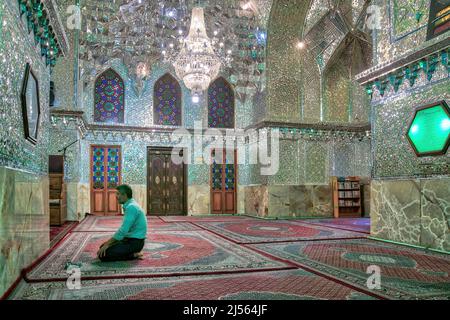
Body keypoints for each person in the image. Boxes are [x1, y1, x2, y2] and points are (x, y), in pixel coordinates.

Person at [97, 184, 147, 262]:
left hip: (135, 243)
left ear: (125, 195)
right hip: (129, 239)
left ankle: (134, 254)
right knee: (102, 248)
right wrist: (107, 244)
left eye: (118, 194)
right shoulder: (130, 205)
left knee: (104, 255)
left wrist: (108, 244)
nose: (116, 196)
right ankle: (130, 253)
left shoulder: (131, 207)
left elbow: (123, 230)